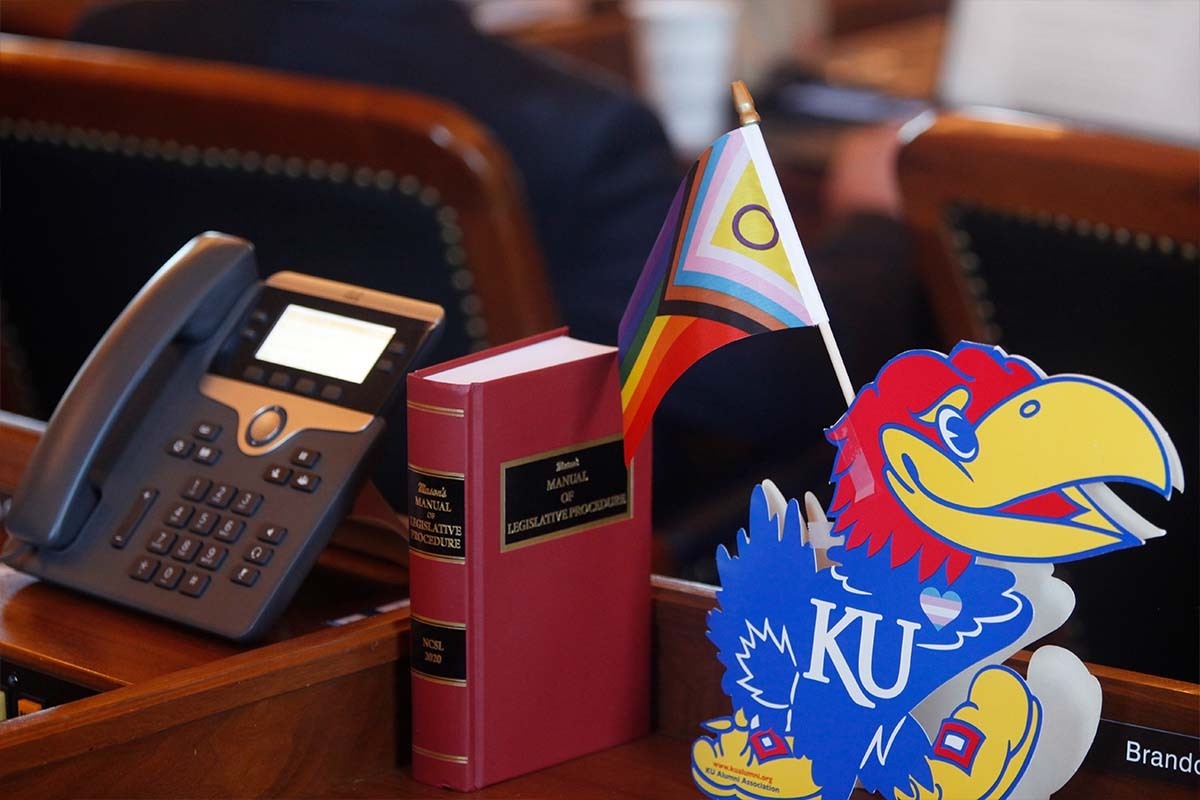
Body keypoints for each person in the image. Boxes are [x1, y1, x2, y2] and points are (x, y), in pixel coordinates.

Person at [71, 0, 934, 574]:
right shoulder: (567, 131)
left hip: (158, 529)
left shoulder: (93, 54)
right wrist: (873, 221)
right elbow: (758, 385)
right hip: (506, 589)